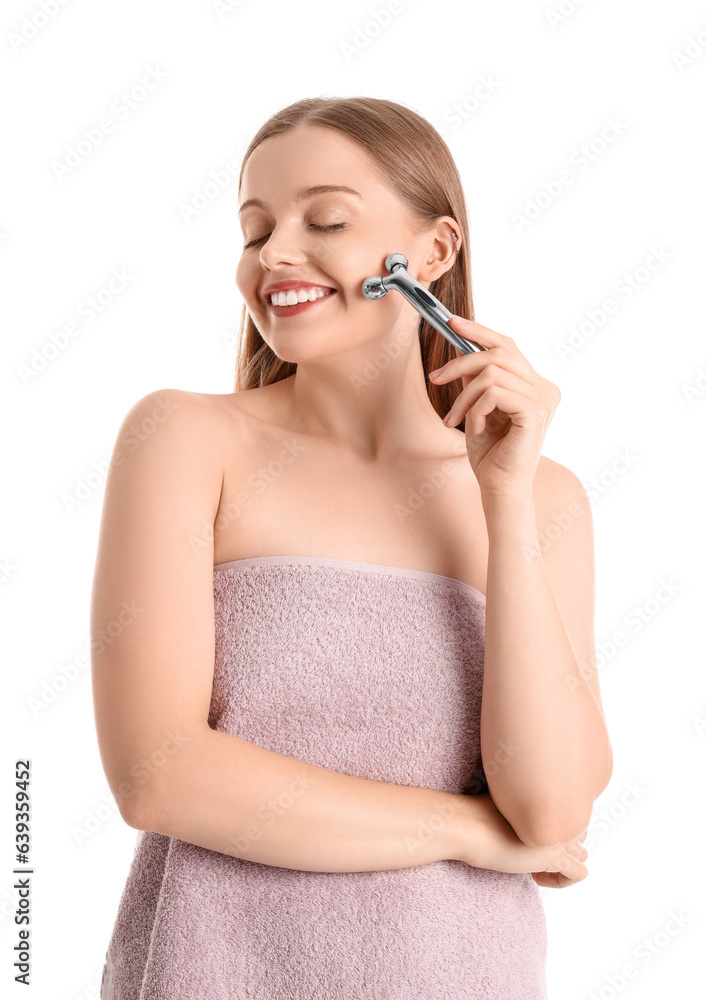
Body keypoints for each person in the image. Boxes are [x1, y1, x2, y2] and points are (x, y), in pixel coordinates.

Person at [91, 96, 612, 999]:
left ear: (434, 254)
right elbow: (158, 773)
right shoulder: (184, 440)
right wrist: (464, 834)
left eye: (323, 220)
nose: (275, 256)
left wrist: (505, 504)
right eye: (255, 230)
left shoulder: (544, 497)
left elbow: (553, 808)